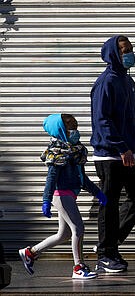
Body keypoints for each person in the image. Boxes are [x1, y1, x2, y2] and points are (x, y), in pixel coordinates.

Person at [18, 113, 107, 280]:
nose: (75, 132)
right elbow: (51, 179)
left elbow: (82, 178)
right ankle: (78, 267)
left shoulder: (76, 151)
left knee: (64, 235)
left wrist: (98, 193)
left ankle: (30, 253)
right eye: (71, 129)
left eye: (76, 128)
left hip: (70, 195)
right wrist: (46, 200)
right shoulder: (57, 152)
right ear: (60, 131)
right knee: (78, 229)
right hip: (62, 195)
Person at [90, 35, 135, 273]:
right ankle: (106, 254)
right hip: (109, 155)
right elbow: (102, 120)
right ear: (113, 53)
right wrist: (121, 147)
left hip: (127, 152)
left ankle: (109, 243)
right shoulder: (106, 82)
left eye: (131, 49)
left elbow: (130, 120)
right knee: (109, 205)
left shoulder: (127, 81)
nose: (129, 54)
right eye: (125, 50)